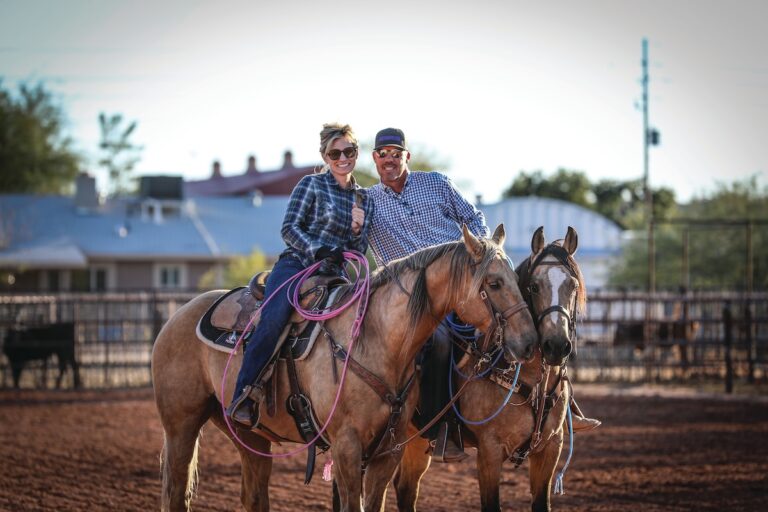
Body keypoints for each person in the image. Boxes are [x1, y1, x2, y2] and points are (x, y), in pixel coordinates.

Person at [366, 128, 599, 463]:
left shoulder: (435, 183)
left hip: (468, 278)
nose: (389, 159)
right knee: (442, 340)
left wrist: (483, 256)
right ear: (374, 158)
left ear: (407, 156)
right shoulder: (368, 202)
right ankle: (443, 427)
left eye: (395, 152)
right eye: (382, 153)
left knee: (528, 310)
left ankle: (560, 407)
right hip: (421, 299)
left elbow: (472, 216)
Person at [226, 123, 372, 429]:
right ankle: (245, 394)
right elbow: (289, 228)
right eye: (336, 152)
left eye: (349, 151)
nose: (343, 157)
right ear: (325, 155)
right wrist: (318, 250)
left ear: (356, 153)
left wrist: (358, 231)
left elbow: (358, 250)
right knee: (274, 318)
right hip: (298, 265)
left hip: (336, 275)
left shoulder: (364, 199)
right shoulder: (311, 185)